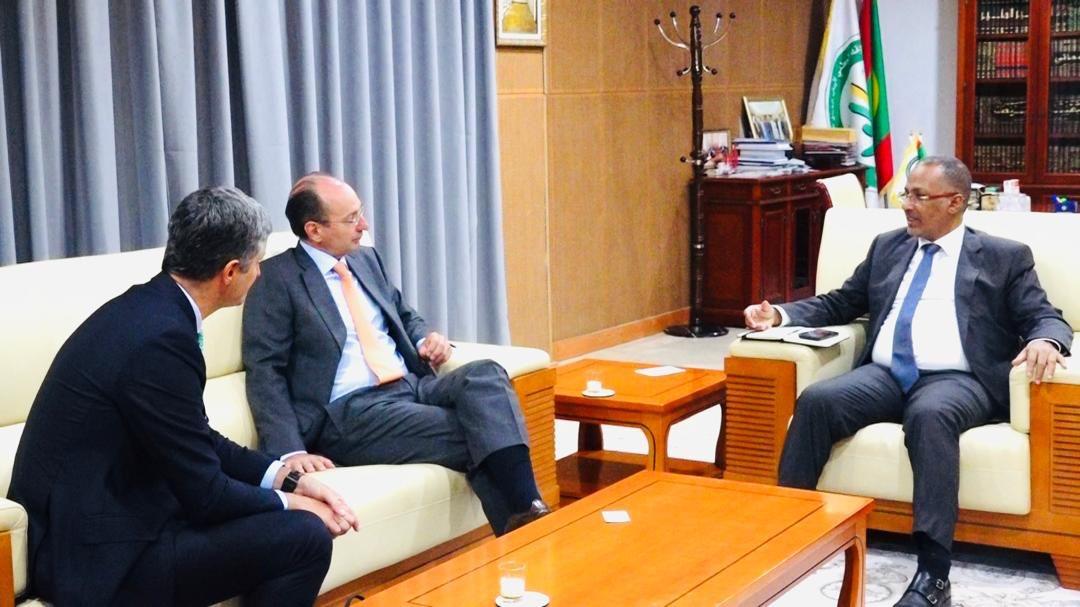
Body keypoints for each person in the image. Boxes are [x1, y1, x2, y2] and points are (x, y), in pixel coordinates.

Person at [743, 156, 1071, 607]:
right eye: (906, 194)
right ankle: (784, 534)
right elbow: (842, 302)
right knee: (818, 400)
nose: (907, 205)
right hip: (885, 374)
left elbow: (1044, 316)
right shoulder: (888, 246)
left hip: (958, 378)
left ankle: (934, 575)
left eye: (920, 196)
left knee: (930, 415)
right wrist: (780, 314)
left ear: (955, 202)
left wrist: (1046, 341)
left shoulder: (1004, 257)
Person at [8, 187, 359, 607]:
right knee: (305, 538)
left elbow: (197, 438)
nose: (260, 275)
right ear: (230, 272)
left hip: (112, 522)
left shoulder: (147, 310)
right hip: (98, 561)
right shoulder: (161, 342)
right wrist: (291, 504)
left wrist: (286, 477)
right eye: (257, 264)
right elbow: (207, 496)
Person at [242, 173, 549, 536]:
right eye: (352, 218)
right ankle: (530, 521)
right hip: (349, 413)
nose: (364, 225)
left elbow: (403, 314)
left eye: (360, 213)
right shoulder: (276, 278)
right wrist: (290, 452)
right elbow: (266, 370)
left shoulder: (365, 259)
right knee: (486, 425)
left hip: (410, 384)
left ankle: (525, 520)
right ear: (315, 230)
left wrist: (424, 339)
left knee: (485, 375)